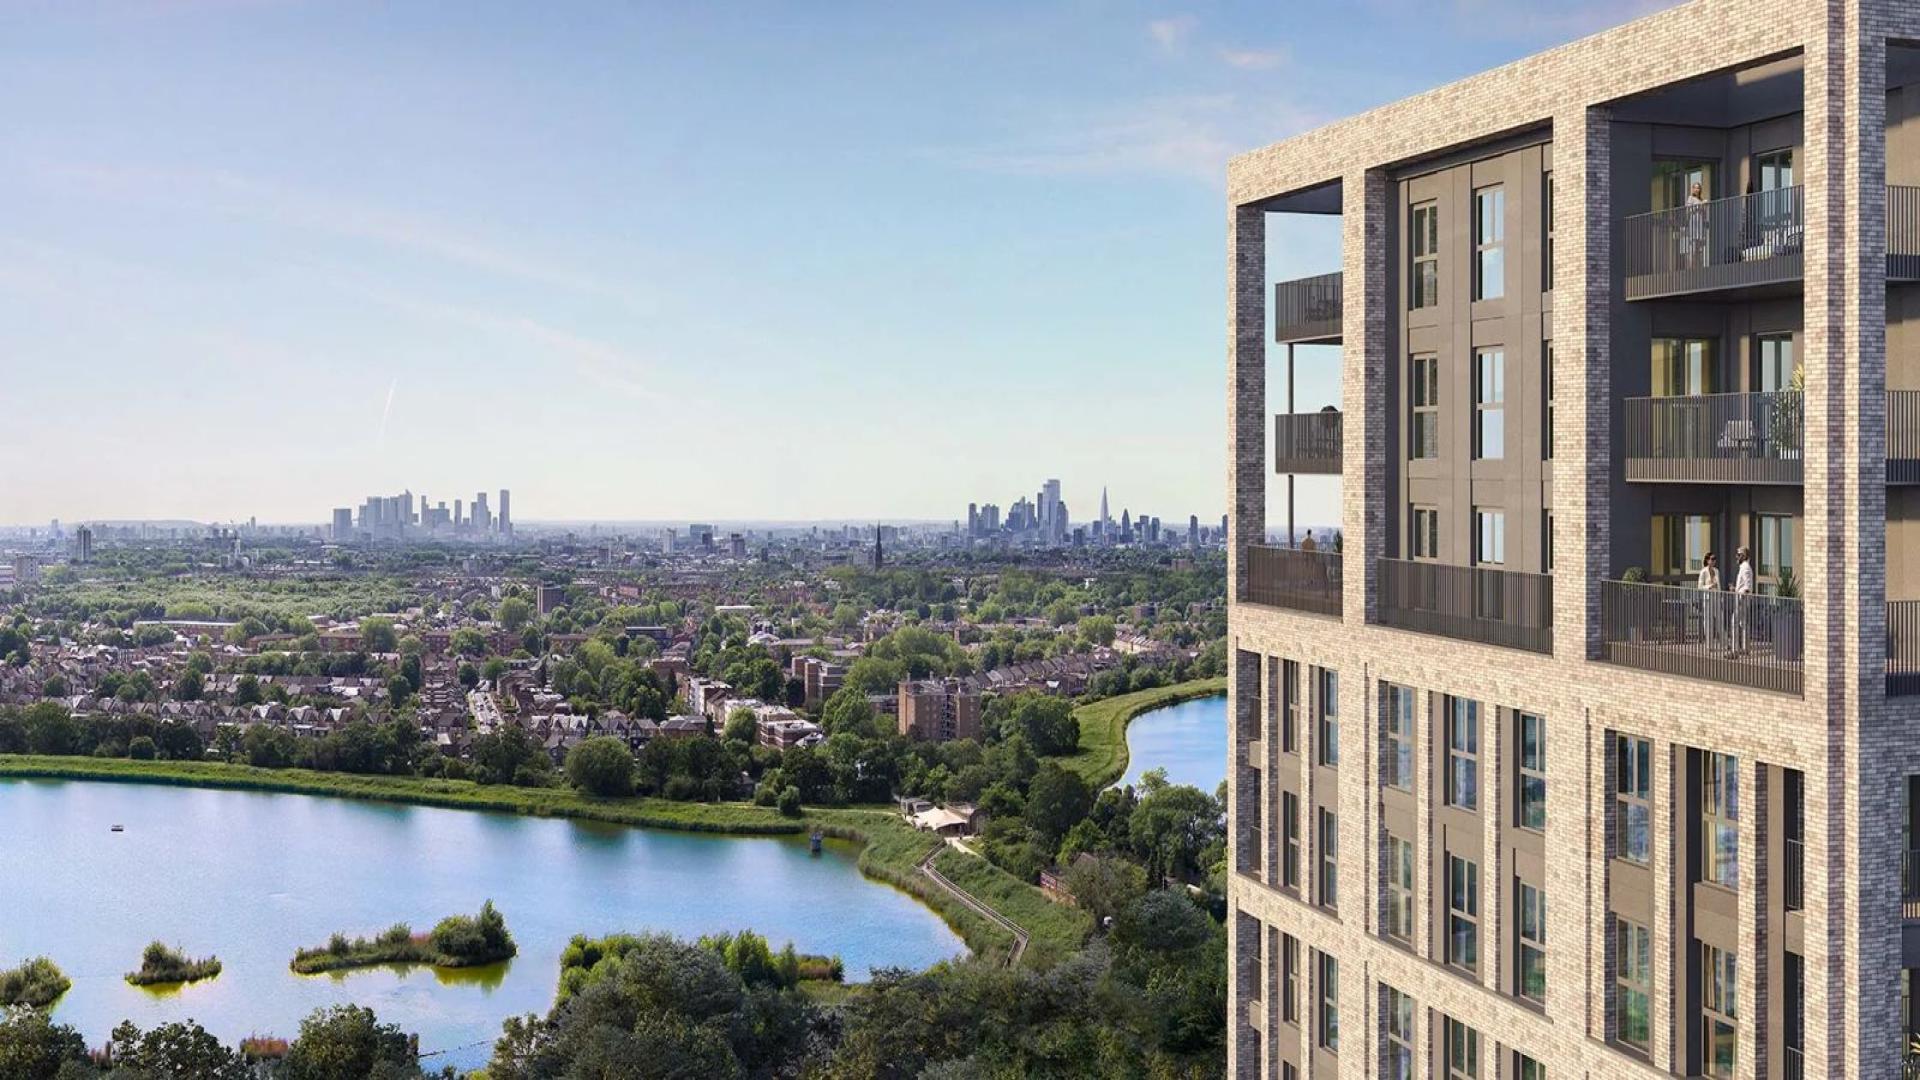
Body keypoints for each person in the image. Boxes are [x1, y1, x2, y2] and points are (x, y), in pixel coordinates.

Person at [1730, 546, 1755, 656]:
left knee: (1735, 622)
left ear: (1744, 556)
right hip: (1741, 598)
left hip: (1741, 599)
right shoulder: (1743, 567)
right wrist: (1735, 588)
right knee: (1743, 623)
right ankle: (1745, 649)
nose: (1737, 556)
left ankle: (1735, 650)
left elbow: (1748, 585)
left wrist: (1741, 594)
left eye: (1739, 554)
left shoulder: (1745, 568)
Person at [1698, 551, 1723, 651]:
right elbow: (1699, 587)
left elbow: (1719, 585)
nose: (1713, 561)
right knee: (1708, 621)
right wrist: (1709, 586)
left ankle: (1723, 643)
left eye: (1715, 559)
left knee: (1719, 620)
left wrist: (1721, 597)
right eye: (1712, 559)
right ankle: (1709, 645)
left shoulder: (1717, 571)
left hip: (1716, 597)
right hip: (1708, 598)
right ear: (1707, 560)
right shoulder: (1703, 572)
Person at [1685, 180, 1709, 269]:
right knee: (1693, 246)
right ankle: (1691, 268)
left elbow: (1704, 214)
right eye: (1695, 187)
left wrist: (1704, 205)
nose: (1696, 189)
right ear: (1693, 189)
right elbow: (1689, 210)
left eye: (1698, 188)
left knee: (1699, 247)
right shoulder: (1691, 198)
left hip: (1700, 224)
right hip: (1694, 223)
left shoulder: (1701, 199)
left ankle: (1699, 266)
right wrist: (1700, 205)